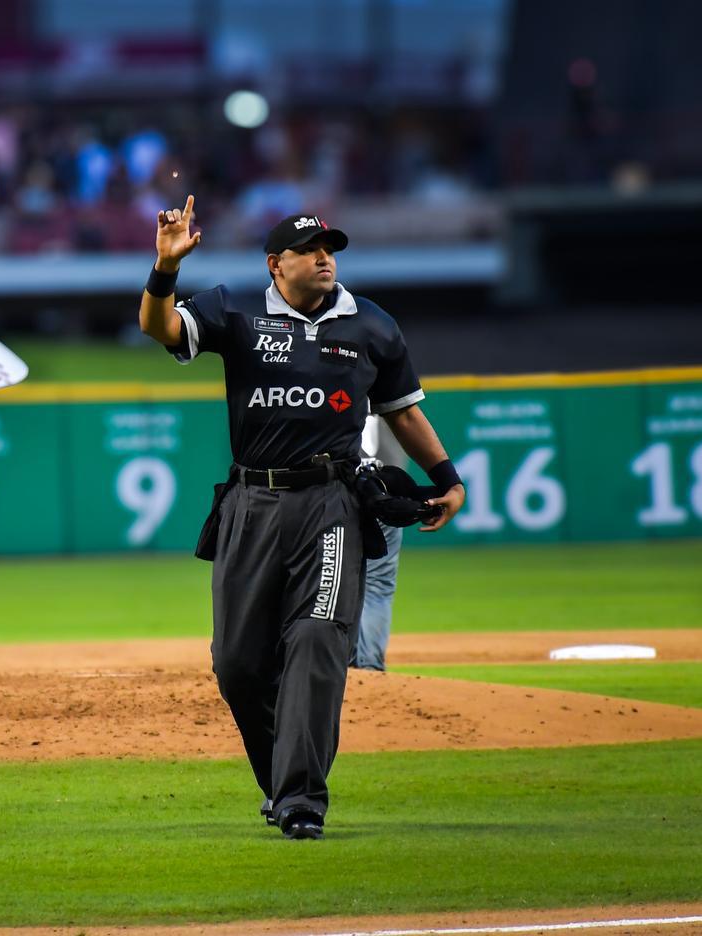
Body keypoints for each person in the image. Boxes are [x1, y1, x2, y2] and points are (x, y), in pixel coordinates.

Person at [137, 196, 465, 840]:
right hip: (250, 506)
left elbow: (401, 409)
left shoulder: (370, 325)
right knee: (236, 664)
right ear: (275, 264)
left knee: (318, 641)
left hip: (330, 504)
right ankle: (281, 781)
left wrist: (447, 479)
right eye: (310, 250)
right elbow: (159, 328)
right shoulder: (235, 309)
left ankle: (300, 801)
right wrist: (165, 268)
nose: (324, 259)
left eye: (331, 250)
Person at [354, 415, 405, 672]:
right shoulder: (392, 391)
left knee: (331, 579)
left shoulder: (326, 384)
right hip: (386, 495)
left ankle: (347, 663)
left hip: (338, 496)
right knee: (377, 585)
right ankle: (371, 668)